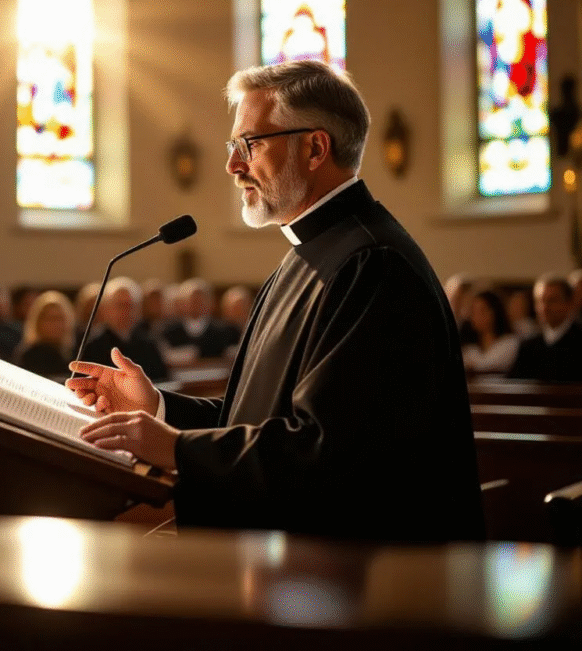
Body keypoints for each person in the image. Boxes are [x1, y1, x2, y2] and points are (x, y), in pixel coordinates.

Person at [68, 59, 484, 542]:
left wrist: (178, 450)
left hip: (365, 583)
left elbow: (329, 452)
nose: (232, 165)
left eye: (249, 143)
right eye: (233, 146)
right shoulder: (309, 255)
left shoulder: (372, 265)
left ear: (314, 147)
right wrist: (159, 409)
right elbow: (261, 418)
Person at [81, 277, 169, 383]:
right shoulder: (92, 345)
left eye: (130, 305)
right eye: (120, 305)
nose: (126, 311)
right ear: (106, 308)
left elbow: (163, 380)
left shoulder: (149, 343)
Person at [508, 275, 582, 382]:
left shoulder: (578, 340)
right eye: (541, 301)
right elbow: (513, 385)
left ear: (569, 303)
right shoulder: (529, 346)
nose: (545, 307)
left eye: (552, 300)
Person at [161, 278, 236, 359]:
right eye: (192, 300)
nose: (196, 304)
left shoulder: (226, 330)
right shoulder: (168, 330)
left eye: (200, 300)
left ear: (210, 303)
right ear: (182, 304)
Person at [16, 290, 75, 381]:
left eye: (60, 318)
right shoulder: (28, 355)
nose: (56, 324)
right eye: (50, 318)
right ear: (38, 321)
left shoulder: (74, 351)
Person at [461, 289, 519, 377]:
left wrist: (472, 366)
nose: (477, 316)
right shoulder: (470, 349)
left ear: (495, 312)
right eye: (474, 311)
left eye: (482, 311)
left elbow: (489, 366)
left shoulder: (510, 343)